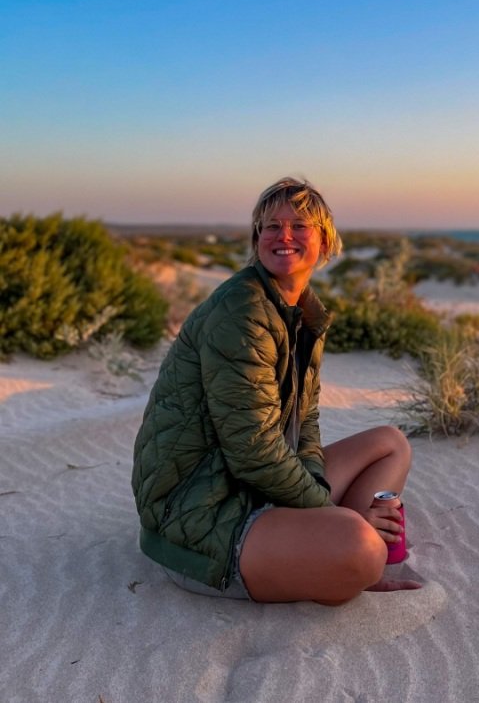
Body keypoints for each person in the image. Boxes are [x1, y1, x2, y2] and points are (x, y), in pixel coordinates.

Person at [132, 177, 419, 604]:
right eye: (270, 226)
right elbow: (253, 450)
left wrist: (318, 495)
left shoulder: (302, 311)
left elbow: (305, 423)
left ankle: (340, 539)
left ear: (324, 241)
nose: (283, 235)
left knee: (390, 444)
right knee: (361, 548)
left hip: (255, 485)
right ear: (257, 240)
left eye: (299, 225)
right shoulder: (242, 309)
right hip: (204, 512)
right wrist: (331, 511)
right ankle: (350, 547)